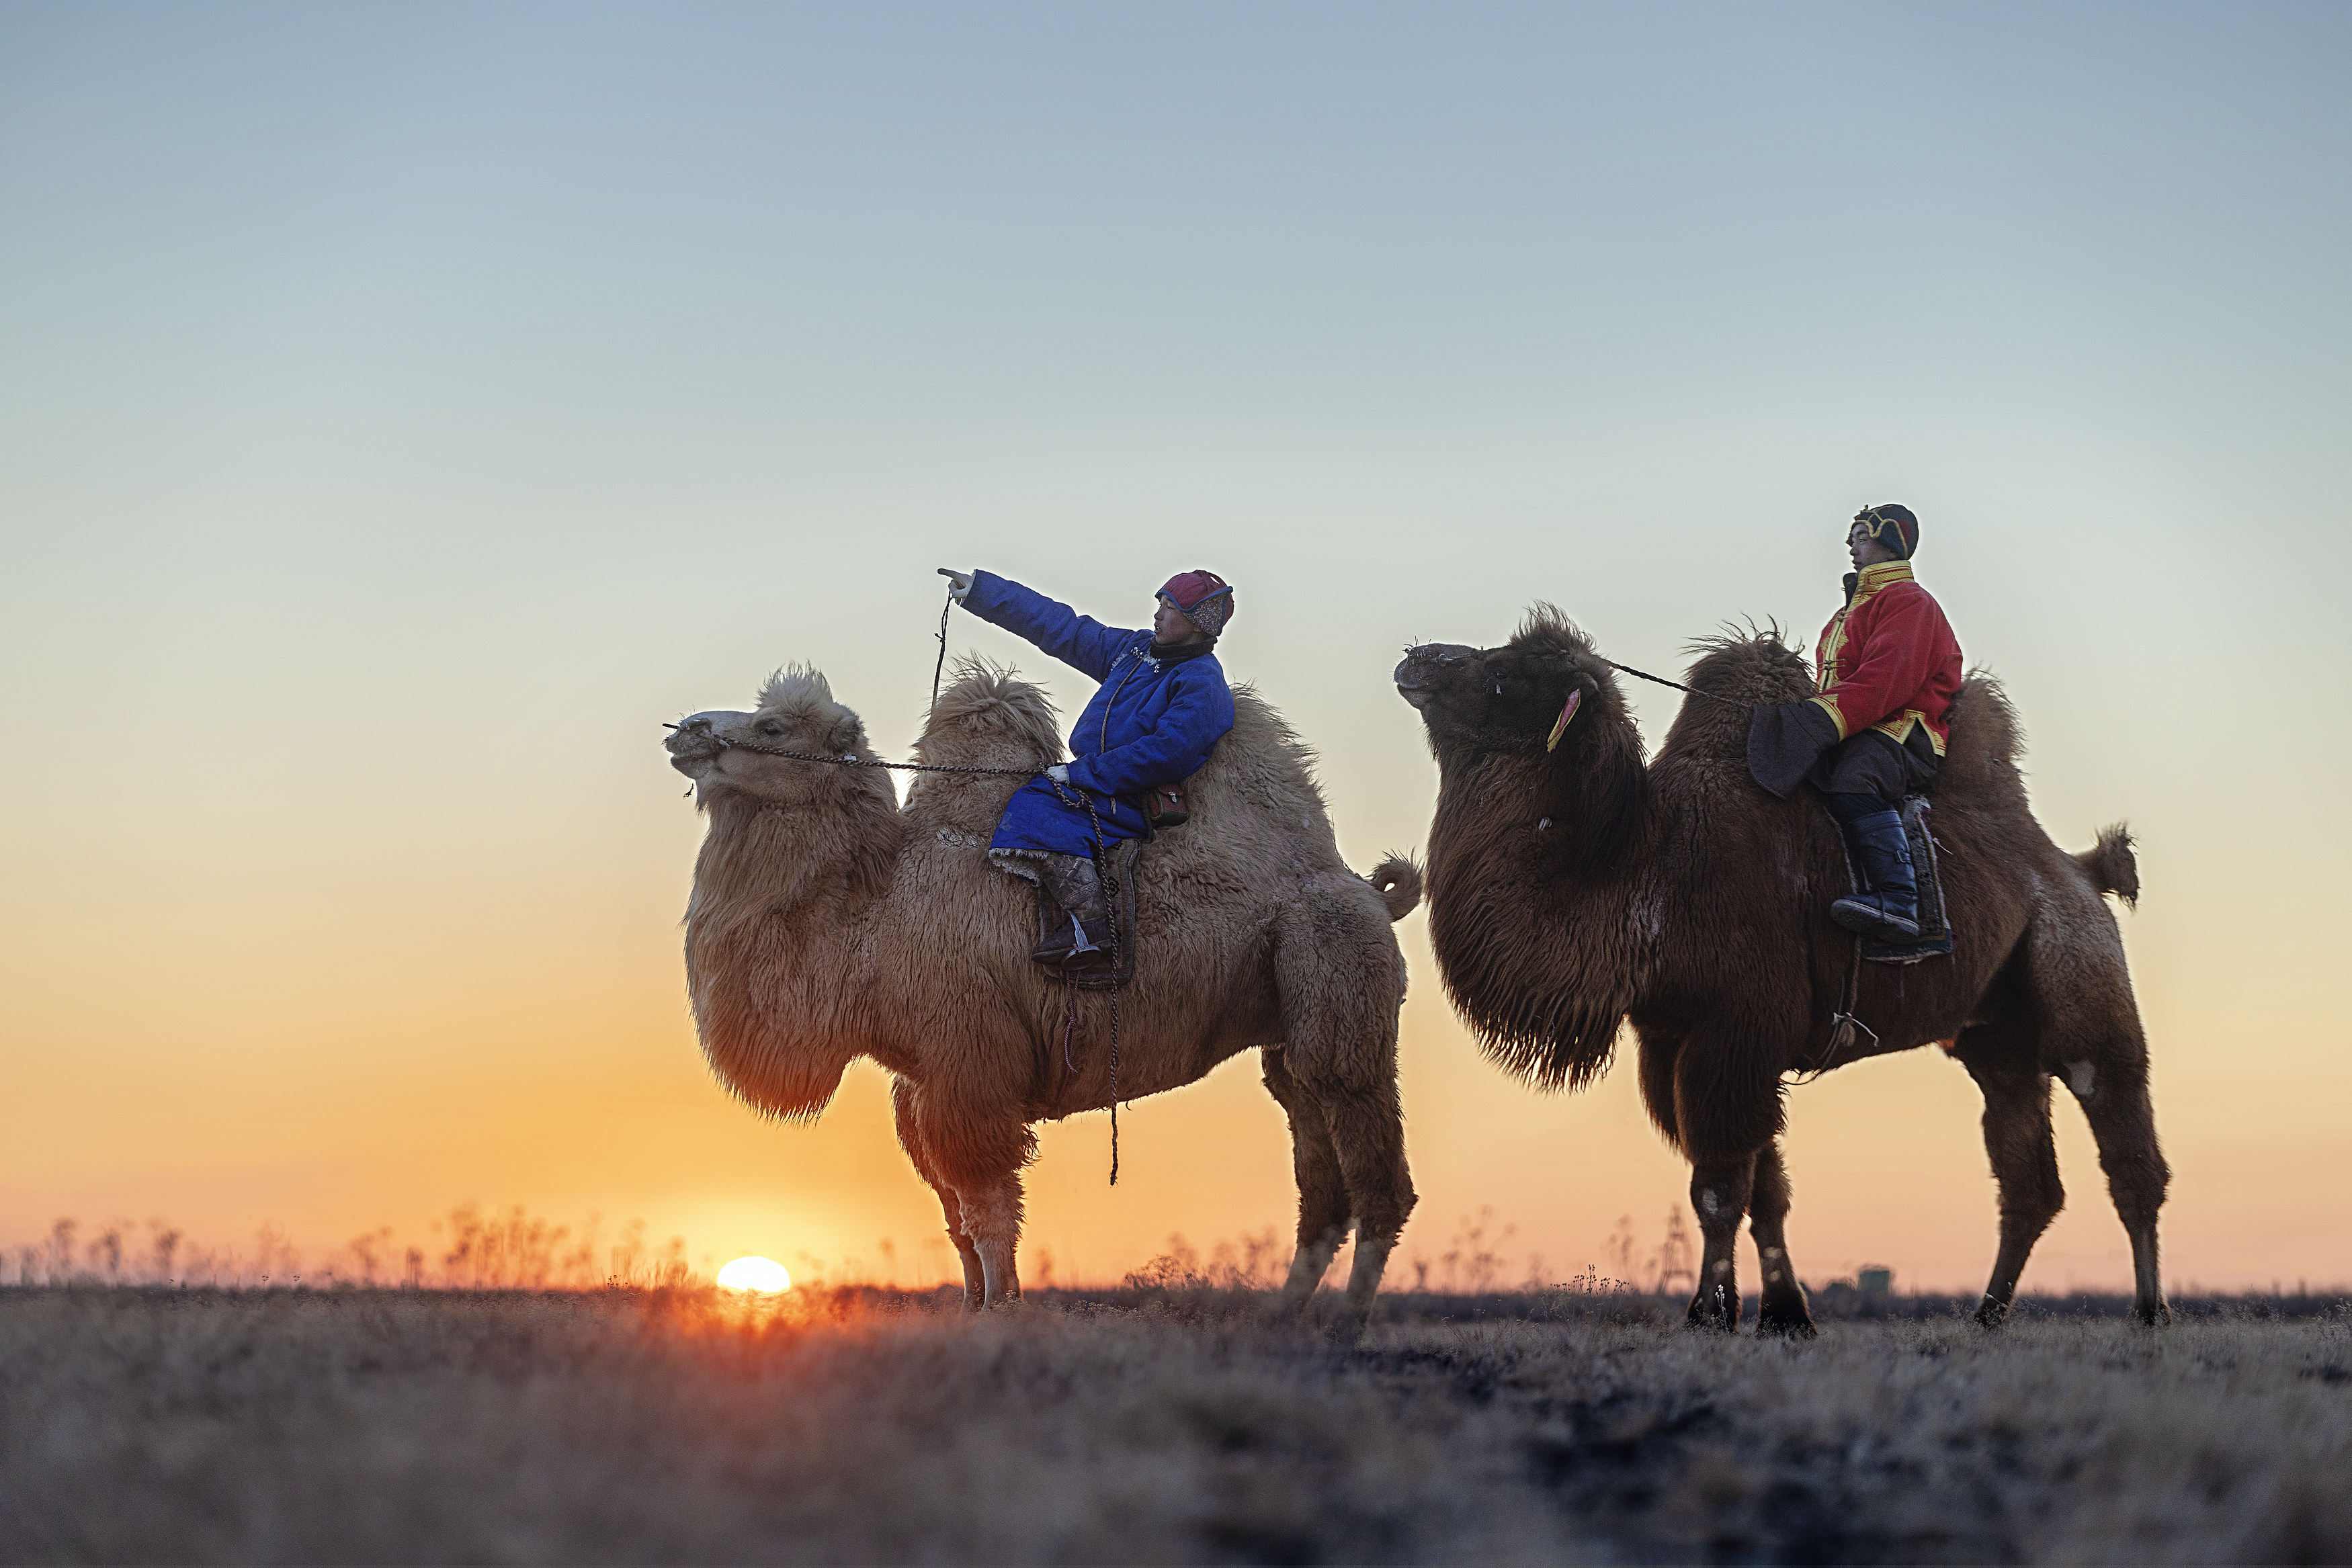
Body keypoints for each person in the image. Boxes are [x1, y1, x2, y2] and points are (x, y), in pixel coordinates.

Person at [936, 566, 1238, 969]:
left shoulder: (1203, 682)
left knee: (1037, 810)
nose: (1157, 614)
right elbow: (1064, 628)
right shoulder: (1134, 651)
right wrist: (982, 593)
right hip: (1096, 779)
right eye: (1160, 604)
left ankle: (1094, 930)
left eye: (1170, 607)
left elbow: (1169, 752)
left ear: (1199, 623)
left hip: (1129, 794)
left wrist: (1082, 775)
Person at [1747, 503, 1963, 942]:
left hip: (1900, 733)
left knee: (1854, 779)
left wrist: (1816, 720)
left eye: (1860, 536)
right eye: (1852, 538)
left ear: (1890, 543)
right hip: (1855, 727)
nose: (1851, 546)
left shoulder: (1910, 602)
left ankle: (1899, 899)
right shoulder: (1843, 616)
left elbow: (1887, 681)